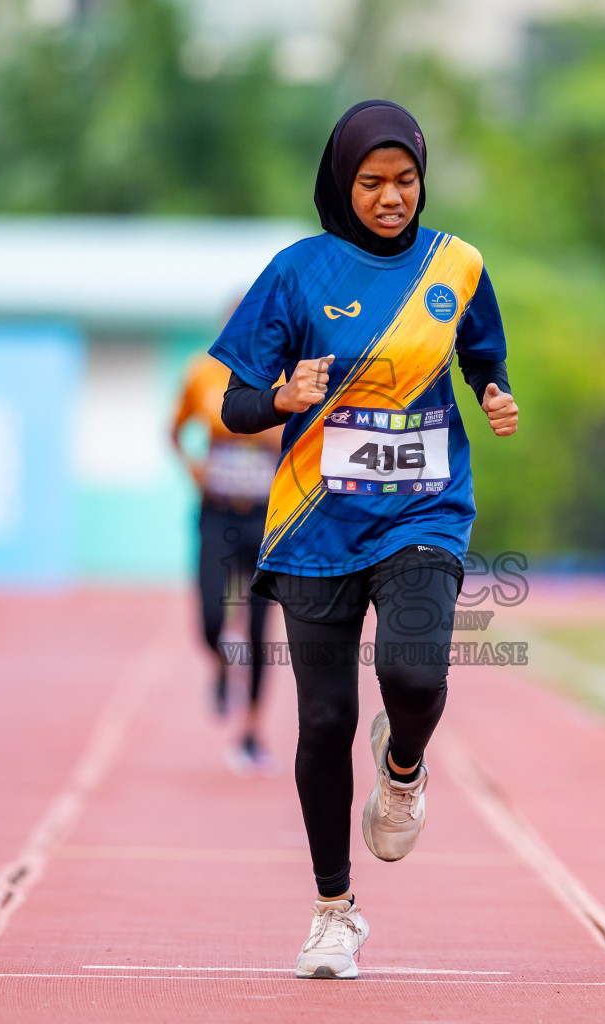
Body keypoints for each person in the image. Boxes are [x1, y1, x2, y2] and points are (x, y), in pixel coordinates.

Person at [210, 99, 518, 979]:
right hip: (314, 522)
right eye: (373, 182)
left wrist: (494, 392)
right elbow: (235, 404)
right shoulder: (298, 274)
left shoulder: (458, 265)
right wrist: (280, 399)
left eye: (406, 180)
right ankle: (334, 910)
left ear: (424, 179)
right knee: (325, 721)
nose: (392, 197)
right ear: (343, 184)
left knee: (414, 673)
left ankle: (405, 762)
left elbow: (481, 357)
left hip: (425, 511)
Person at [171, 352, 282, 775]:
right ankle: (220, 660)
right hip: (217, 513)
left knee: (258, 629)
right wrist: (192, 467)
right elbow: (174, 431)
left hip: (265, 516)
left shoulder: (290, 372)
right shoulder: (202, 372)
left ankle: (251, 733)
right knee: (210, 618)